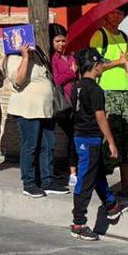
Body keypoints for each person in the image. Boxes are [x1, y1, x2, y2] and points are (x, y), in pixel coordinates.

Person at [70, 47, 128, 241]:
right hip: (90, 139)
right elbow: (101, 117)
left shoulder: (77, 87)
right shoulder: (95, 89)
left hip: (79, 136)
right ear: (96, 66)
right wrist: (111, 142)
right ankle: (79, 223)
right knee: (86, 179)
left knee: (97, 173)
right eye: (102, 63)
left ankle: (111, 203)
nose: (103, 66)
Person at [8, 39, 62, 198]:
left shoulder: (37, 53)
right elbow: (19, 80)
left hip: (45, 109)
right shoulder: (13, 57)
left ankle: (47, 180)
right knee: (30, 145)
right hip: (28, 109)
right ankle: (29, 183)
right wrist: (24, 57)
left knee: (48, 145)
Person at [92, 7, 128, 196]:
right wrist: (117, 62)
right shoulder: (99, 36)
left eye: (120, 13)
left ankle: (126, 184)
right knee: (109, 138)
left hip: (126, 91)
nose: (117, 16)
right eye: (113, 12)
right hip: (108, 92)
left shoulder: (125, 36)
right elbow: (94, 66)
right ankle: (101, 182)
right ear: (105, 15)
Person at [48, 25, 78, 189]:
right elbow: (56, 80)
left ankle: (73, 172)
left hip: (74, 101)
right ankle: (58, 169)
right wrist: (72, 73)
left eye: (63, 41)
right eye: (58, 41)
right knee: (60, 138)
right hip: (62, 104)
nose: (61, 44)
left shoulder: (70, 57)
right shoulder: (54, 59)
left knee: (74, 137)